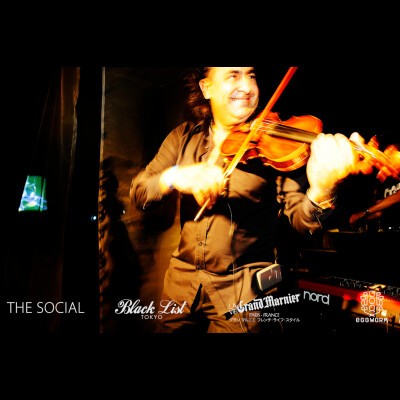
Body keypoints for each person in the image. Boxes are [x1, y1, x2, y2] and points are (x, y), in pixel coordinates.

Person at [129, 66, 363, 334]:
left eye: (251, 75)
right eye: (233, 75)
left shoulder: (274, 144)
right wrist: (174, 176)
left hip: (244, 291)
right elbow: (140, 193)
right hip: (181, 282)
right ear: (207, 88)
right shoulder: (182, 137)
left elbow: (302, 223)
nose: (247, 86)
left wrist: (323, 189)